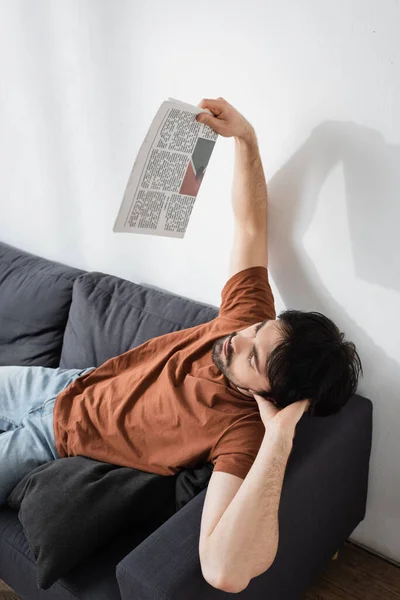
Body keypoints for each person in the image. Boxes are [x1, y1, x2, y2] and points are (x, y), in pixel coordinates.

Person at [0, 97, 362, 592]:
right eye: (257, 331)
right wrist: (246, 138)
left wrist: (279, 439)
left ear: (274, 397)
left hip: (49, 441)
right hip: (57, 383)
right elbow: (252, 224)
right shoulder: (247, 318)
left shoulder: (241, 435)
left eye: (251, 356)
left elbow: (224, 570)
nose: (236, 338)